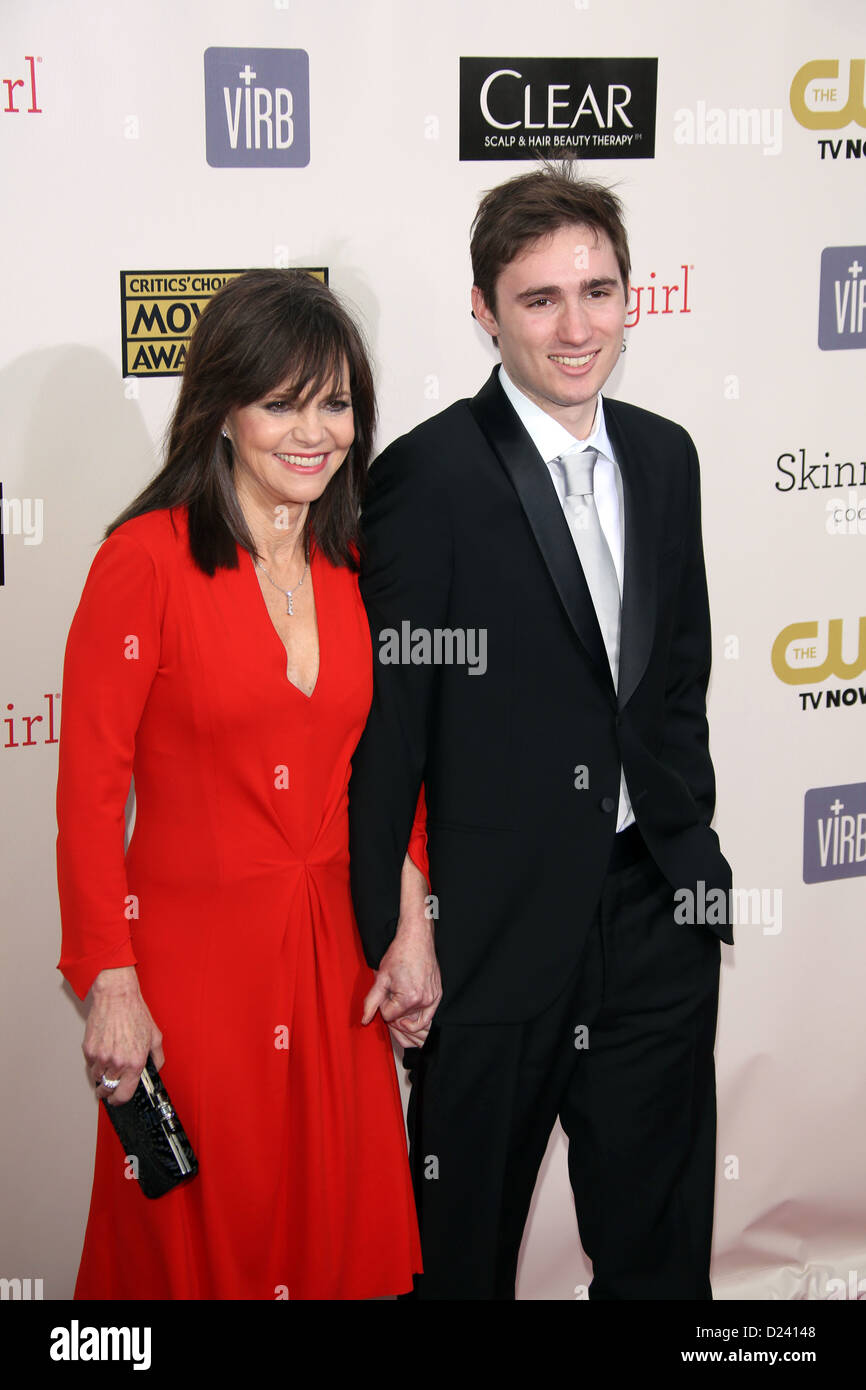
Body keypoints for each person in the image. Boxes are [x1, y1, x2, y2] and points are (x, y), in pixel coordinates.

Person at [348, 162, 733, 1300]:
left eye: (597, 291)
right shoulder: (428, 478)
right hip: (493, 935)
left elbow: (674, 683)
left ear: (630, 298)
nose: (577, 327)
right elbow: (392, 731)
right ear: (483, 309)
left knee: (660, 1255)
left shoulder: (665, 457)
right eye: (538, 298)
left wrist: (690, 867)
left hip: (650, 913)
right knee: (458, 1254)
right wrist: (404, 923)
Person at [56, 268, 423, 1300]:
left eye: (337, 401)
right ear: (221, 407)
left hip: (333, 968)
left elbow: (383, 769)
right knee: (204, 1250)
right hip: (194, 972)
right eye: (281, 402)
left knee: (332, 1243)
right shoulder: (145, 563)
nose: (316, 431)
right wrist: (110, 984)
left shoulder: (352, 561)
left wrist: (410, 922)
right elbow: (88, 792)